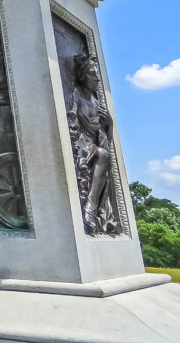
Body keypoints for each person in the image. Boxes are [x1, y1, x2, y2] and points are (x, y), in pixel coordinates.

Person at [68, 54, 112, 232]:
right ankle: (90, 209)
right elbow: (71, 120)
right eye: (93, 75)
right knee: (102, 154)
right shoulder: (76, 95)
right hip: (80, 142)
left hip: (92, 143)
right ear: (83, 76)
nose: (97, 79)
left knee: (103, 153)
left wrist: (110, 123)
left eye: (97, 75)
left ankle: (90, 208)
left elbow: (104, 138)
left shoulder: (96, 102)